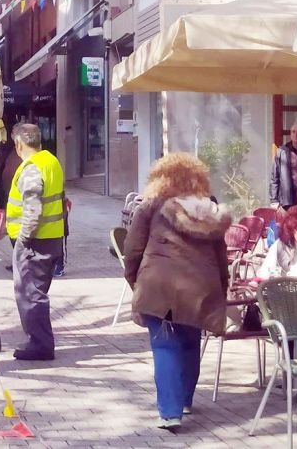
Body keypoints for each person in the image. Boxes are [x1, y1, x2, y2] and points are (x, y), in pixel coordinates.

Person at [123, 152, 231, 430]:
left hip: (160, 284)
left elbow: (132, 249)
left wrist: (135, 281)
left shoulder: (150, 207)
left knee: (165, 345)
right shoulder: (211, 210)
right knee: (190, 340)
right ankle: (184, 399)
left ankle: (170, 412)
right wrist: (221, 286)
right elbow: (221, 255)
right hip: (200, 286)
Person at [6, 123, 66, 361]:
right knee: (36, 291)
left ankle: (40, 345)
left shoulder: (32, 168)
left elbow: (33, 208)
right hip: (51, 237)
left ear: (19, 144)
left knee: (31, 294)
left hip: (35, 241)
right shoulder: (51, 161)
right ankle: (40, 341)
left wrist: (23, 239)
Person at [0, 140, 22, 271]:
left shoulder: (24, 155)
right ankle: (18, 261)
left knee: (20, 235)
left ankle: (21, 263)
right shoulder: (10, 152)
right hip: (8, 198)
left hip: (20, 203)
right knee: (12, 233)